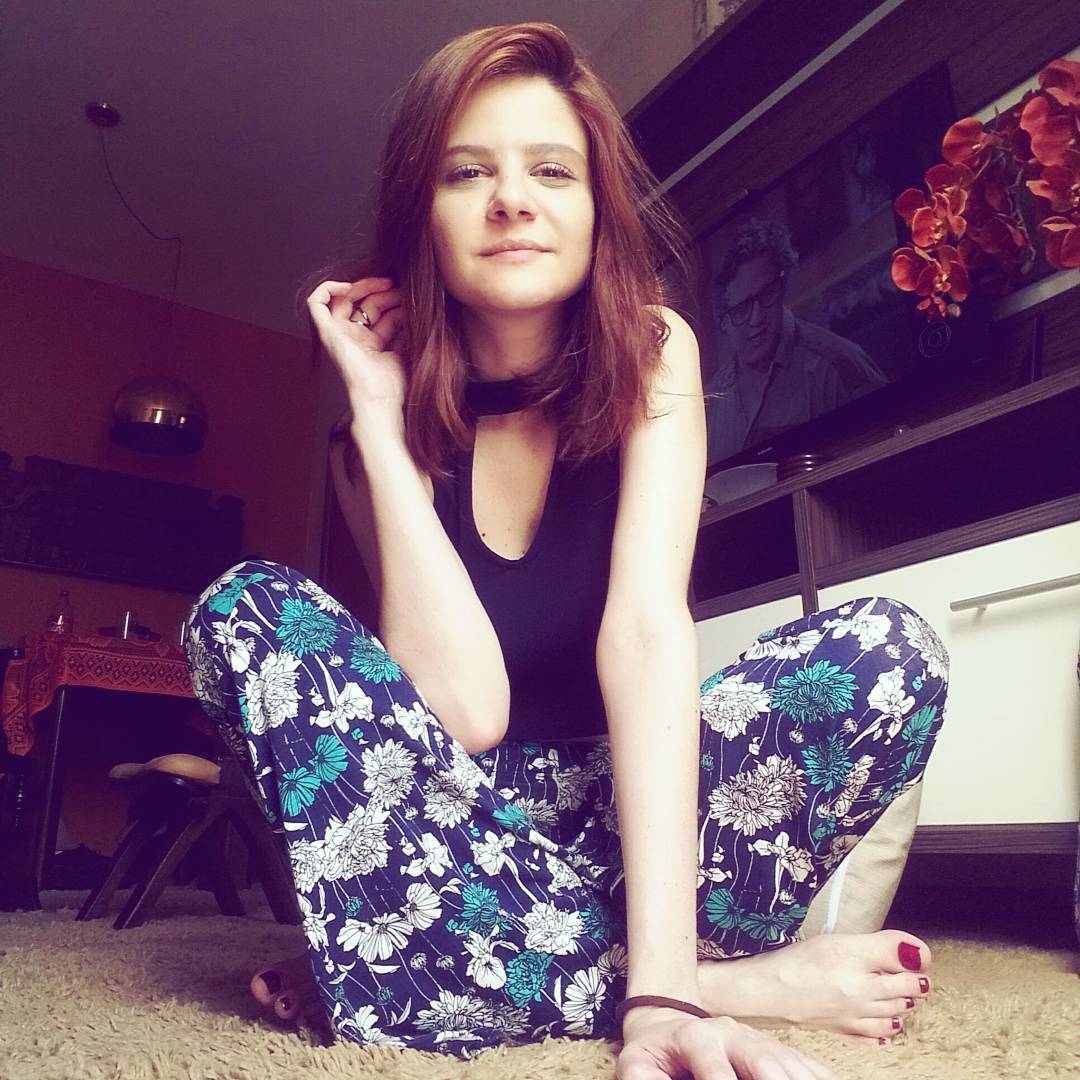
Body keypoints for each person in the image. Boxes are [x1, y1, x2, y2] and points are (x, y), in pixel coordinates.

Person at [184, 22, 948, 1078]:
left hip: (630, 820)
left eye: (551, 170)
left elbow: (645, 633)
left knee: (890, 651)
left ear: (597, 211)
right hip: (455, 830)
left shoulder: (656, 352)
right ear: (424, 218)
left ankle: (439, 973)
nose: (511, 199)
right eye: (467, 173)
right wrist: (380, 419)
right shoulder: (367, 447)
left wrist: (663, 989)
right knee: (240, 609)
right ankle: (734, 981)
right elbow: (461, 714)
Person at [705, 219, 889, 465]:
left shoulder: (838, 365)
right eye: (742, 309)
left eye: (767, 294)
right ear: (723, 321)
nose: (757, 319)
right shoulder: (710, 403)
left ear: (782, 288)